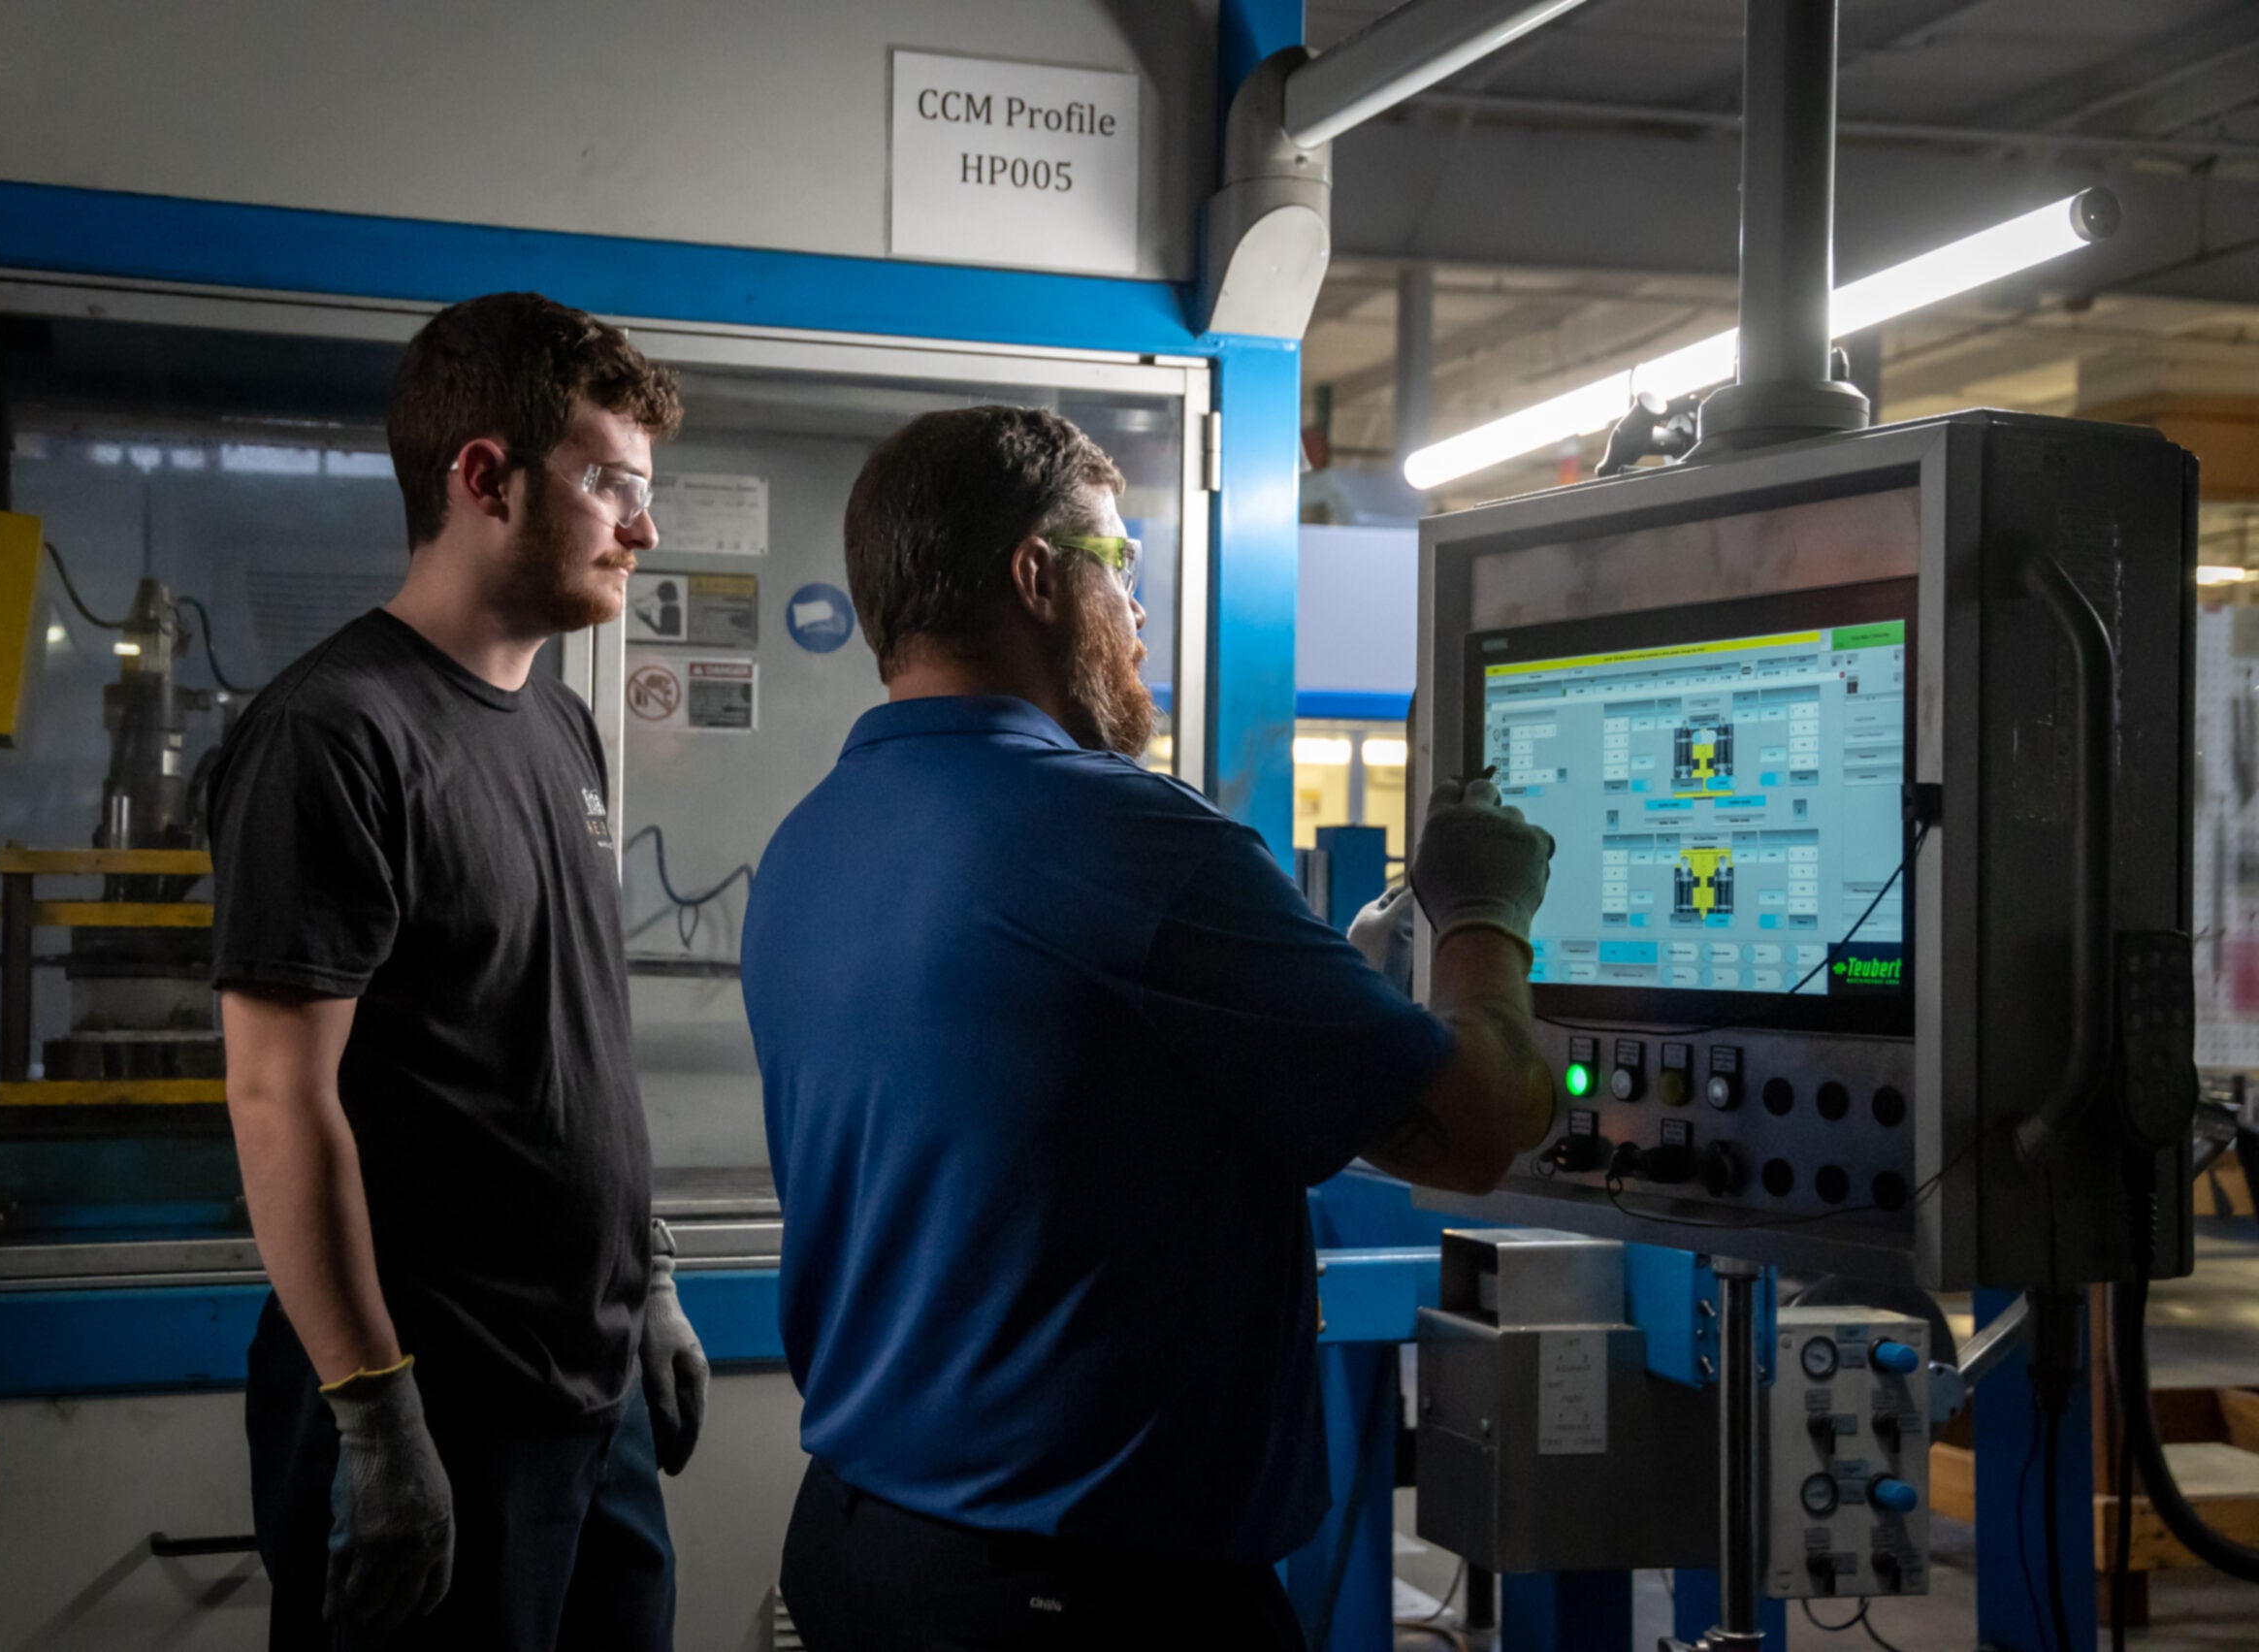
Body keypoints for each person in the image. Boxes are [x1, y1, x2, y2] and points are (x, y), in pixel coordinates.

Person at [739, 405, 1557, 1650]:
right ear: (1035, 575)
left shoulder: (809, 840)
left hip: (860, 1551)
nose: (1137, 615)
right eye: (1121, 569)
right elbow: (1474, 1125)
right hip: (1084, 1596)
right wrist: (1484, 909)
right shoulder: (1128, 838)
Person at [210, 292, 708, 1651]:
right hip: (436, 1396)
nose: (644, 528)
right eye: (614, 483)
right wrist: (374, 1412)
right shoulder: (333, 733)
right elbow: (276, 1099)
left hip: (583, 1387)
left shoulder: (559, 727)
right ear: (484, 477)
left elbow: (567, 1036)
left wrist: (649, 1274)